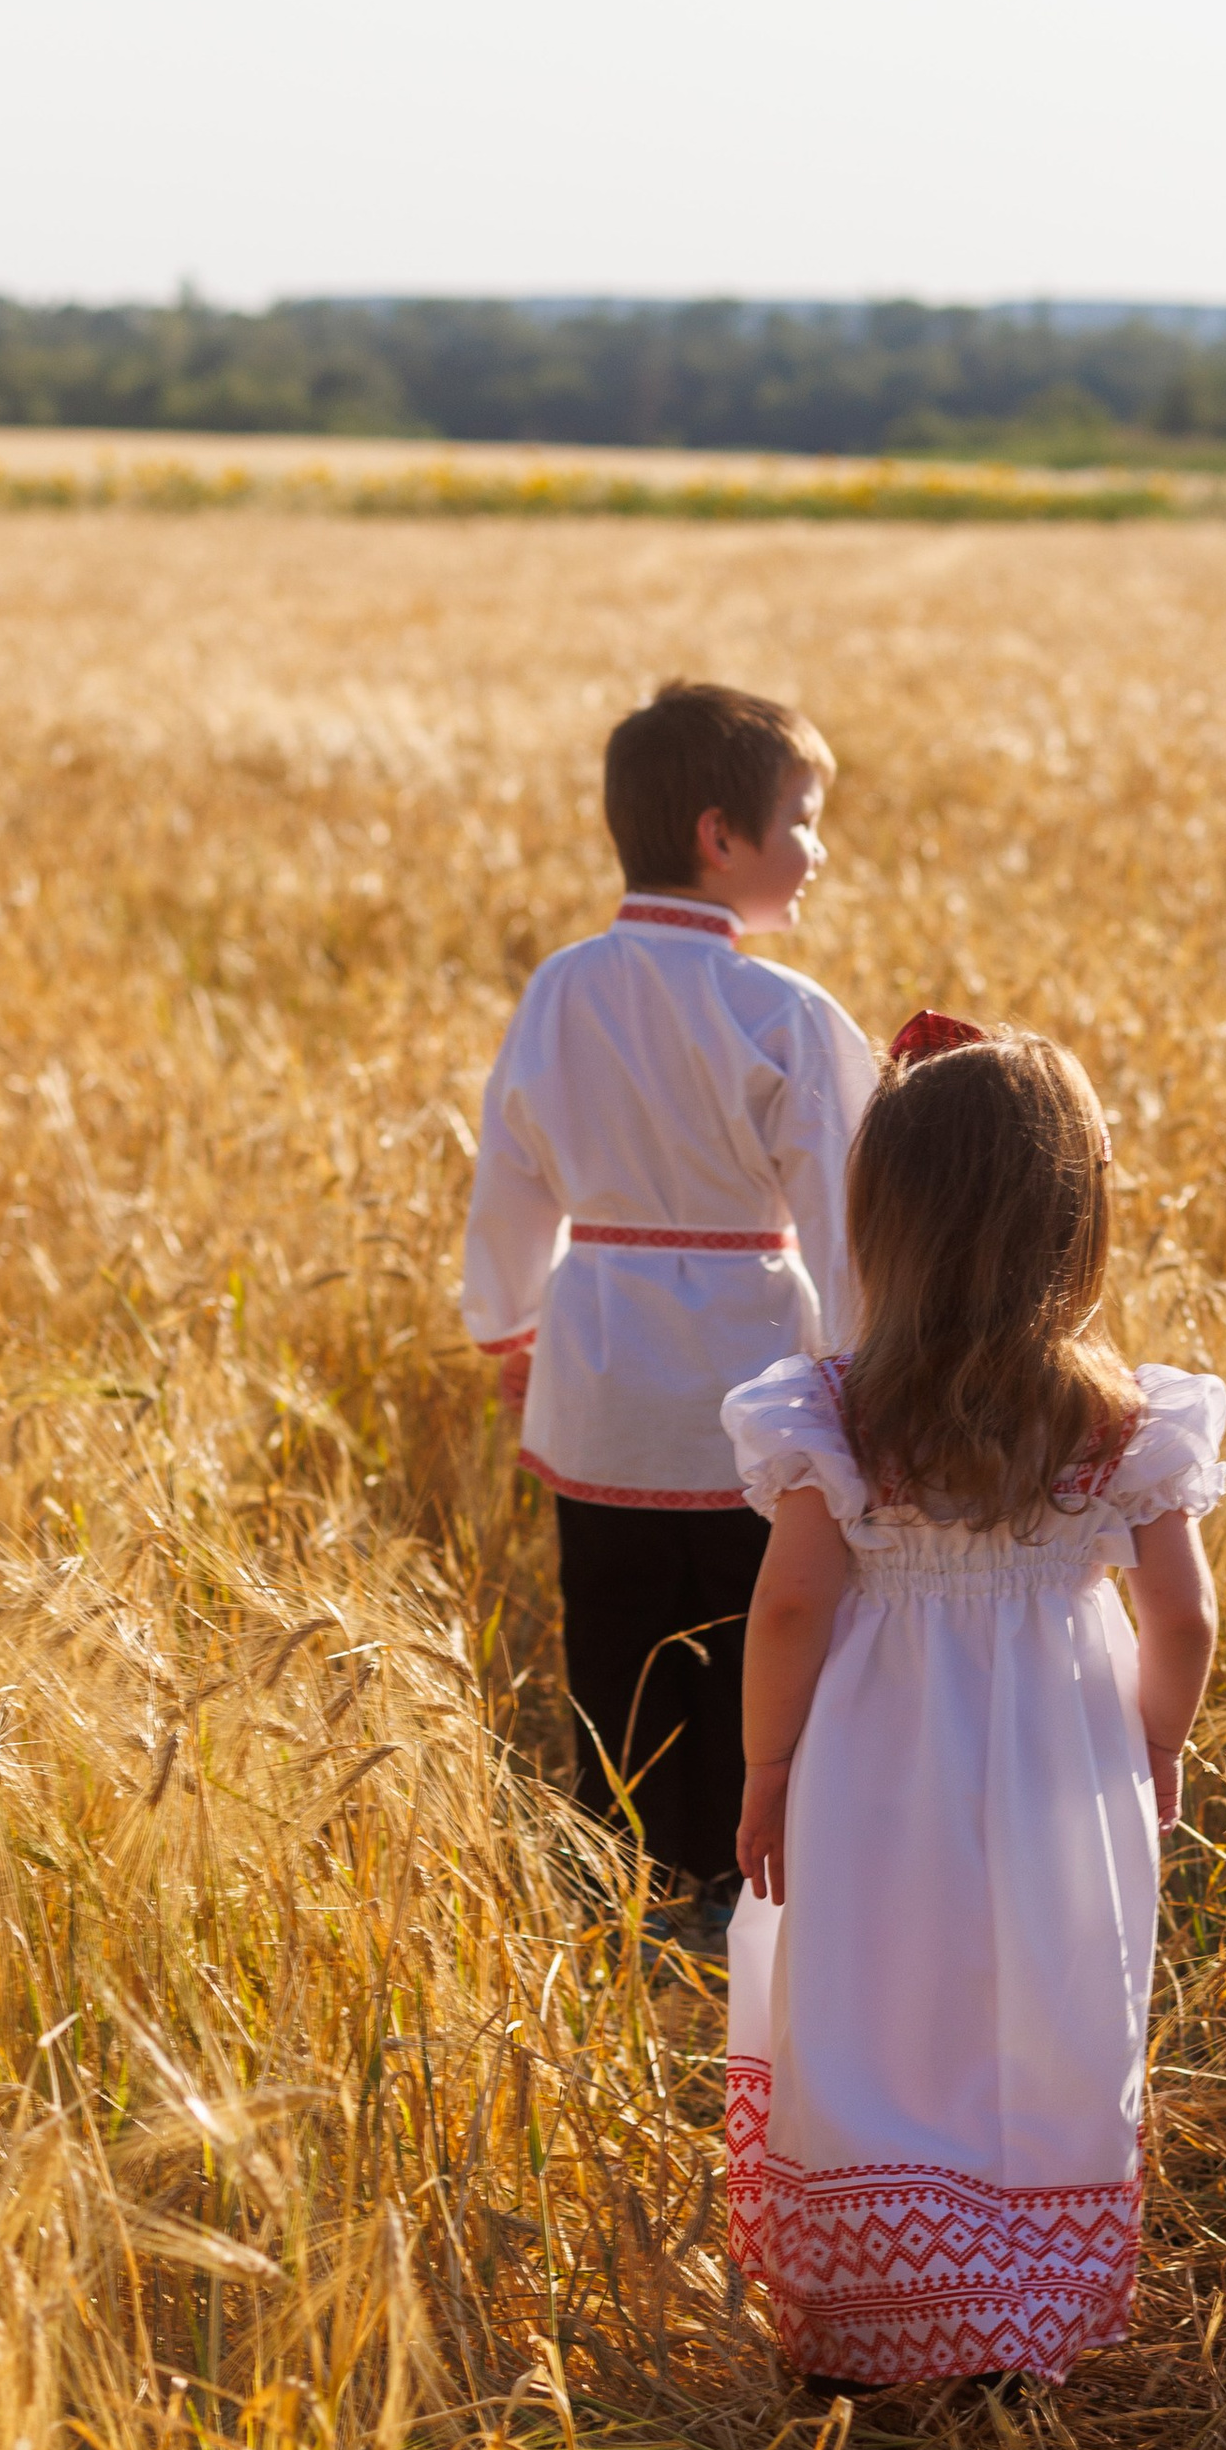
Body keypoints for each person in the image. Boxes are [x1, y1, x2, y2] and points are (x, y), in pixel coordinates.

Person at [720, 1019, 1222, 2393]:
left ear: (884, 1224)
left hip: (879, 1762)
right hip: (1067, 1764)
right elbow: (1184, 1615)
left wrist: (768, 1768)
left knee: (875, 1998)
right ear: (1076, 1224)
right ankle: (1017, 2325)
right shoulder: (1122, 1424)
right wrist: (1157, 1743)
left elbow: (789, 1608)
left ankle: (867, 2327)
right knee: (1048, 2001)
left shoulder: (840, 1416)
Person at [462, 680, 878, 1904]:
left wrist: (509, 1324)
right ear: (720, 835)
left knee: (616, 1643)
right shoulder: (784, 1013)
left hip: (594, 1368)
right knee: (755, 1641)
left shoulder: (560, 988)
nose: (816, 849)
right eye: (803, 819)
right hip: (753, 1370)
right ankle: (746, 1882)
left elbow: (510, 1173)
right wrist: (858, 1370)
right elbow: (844, 1224)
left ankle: (622, 1879)